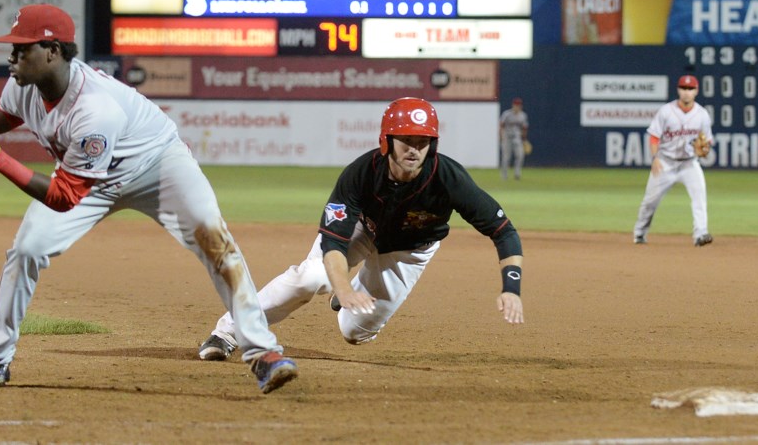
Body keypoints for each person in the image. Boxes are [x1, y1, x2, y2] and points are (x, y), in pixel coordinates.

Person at [0, 4, 297, 393]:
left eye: (22, 49)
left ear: (53, 51)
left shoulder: (95, 108)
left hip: (157, 165)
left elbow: (61, 198)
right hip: (91, 176)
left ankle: (263, 353)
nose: (12, 57)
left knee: (215, 241)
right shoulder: (22, 85)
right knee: (27, 249)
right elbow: (6, 116)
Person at [195, 97, 524, 361]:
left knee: (355, 333)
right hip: (361, 230)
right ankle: (227, 333)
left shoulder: (450, 179)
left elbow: (503, 231)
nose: (414, 148)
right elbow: (333, 245)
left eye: (422, 141)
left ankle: (351, 297)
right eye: (405, 139)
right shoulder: (360, 174)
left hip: (411, 250)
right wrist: (342, 288)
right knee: (310, 277)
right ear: (387, 139)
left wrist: (512, 288)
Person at [632, 74, 714, 247]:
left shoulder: (702, 115)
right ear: (678, 90)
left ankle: (701, 234)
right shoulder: (666, 111)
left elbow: (707, 142)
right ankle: (639, 233)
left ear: (696, 91)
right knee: (650, 202)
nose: (686, 92)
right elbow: (654, 136)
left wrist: (705, 149)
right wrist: (655, 158)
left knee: (699, 197)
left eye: (690, 89)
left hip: (689, 164)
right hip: (665, 162)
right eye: (683, 88)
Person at [499, 97, 529, 180]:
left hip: (517, 137)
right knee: (506, 157)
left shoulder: (523, 115)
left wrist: (524, 139)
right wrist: (501, 137)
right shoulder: (507, 114)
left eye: (519, 105)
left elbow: (524, 128)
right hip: (507, 137)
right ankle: (504, 176)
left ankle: (517, 174)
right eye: (516, 105)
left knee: (520, 155)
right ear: (513, 105)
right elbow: (501, 126)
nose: (517, 106)